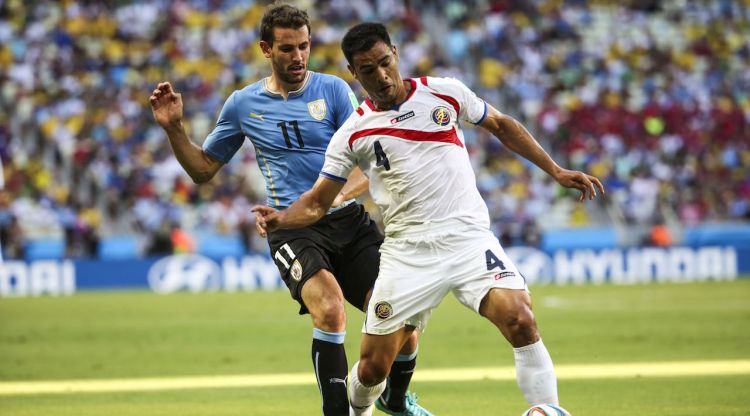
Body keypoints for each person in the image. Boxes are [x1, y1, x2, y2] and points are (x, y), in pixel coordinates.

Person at [253, 22, 605, 415]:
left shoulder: (445, 92)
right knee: (372, 369)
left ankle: (548, 409)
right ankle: (361, 408)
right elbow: (318, 202)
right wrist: (281, 220)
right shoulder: (353, 133)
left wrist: (555, 170)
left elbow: (502, 126)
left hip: (468, 239)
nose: (381, 75)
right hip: (407, 254)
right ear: (354, 73)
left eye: (385, 62)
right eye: (368, 69)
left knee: (520, 318)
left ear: (396, 53)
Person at [150, 7, 429, 416]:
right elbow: (203, 170)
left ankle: (394, 399)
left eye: (304, 46)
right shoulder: (243, 104)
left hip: (347, 221)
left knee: (400, 320)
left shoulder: (334, 91)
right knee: (330, 310)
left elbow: (372, 163)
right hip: (292, 227)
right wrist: (174, 129)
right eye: (287, 48)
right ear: (266, 49)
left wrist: (332, 198)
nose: (298, 57)